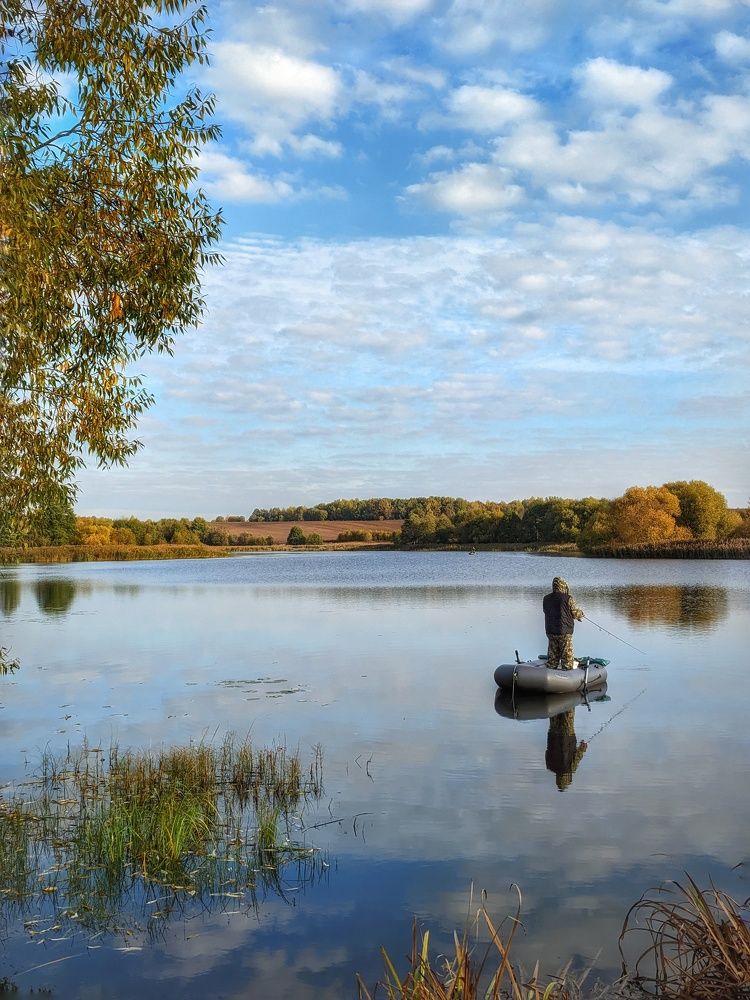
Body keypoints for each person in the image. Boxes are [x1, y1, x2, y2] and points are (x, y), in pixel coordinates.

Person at [543, 576, 584, 670]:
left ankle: (550, 673)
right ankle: (567, 675)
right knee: (567, 661)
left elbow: (546, 611)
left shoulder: (546, 598)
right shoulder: (568, 598)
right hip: (565, 633)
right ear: (563, 586)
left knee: (552, 660)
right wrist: (581, 614)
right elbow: (575, 613)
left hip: (551, 632)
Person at [545, 710, 588, 791]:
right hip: (553, 734)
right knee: (554, 712)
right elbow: (546, 752)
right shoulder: (549, 766)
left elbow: (577, 756)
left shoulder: (571, 769)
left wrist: (583, 748)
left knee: (568, 710)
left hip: (568, 735)